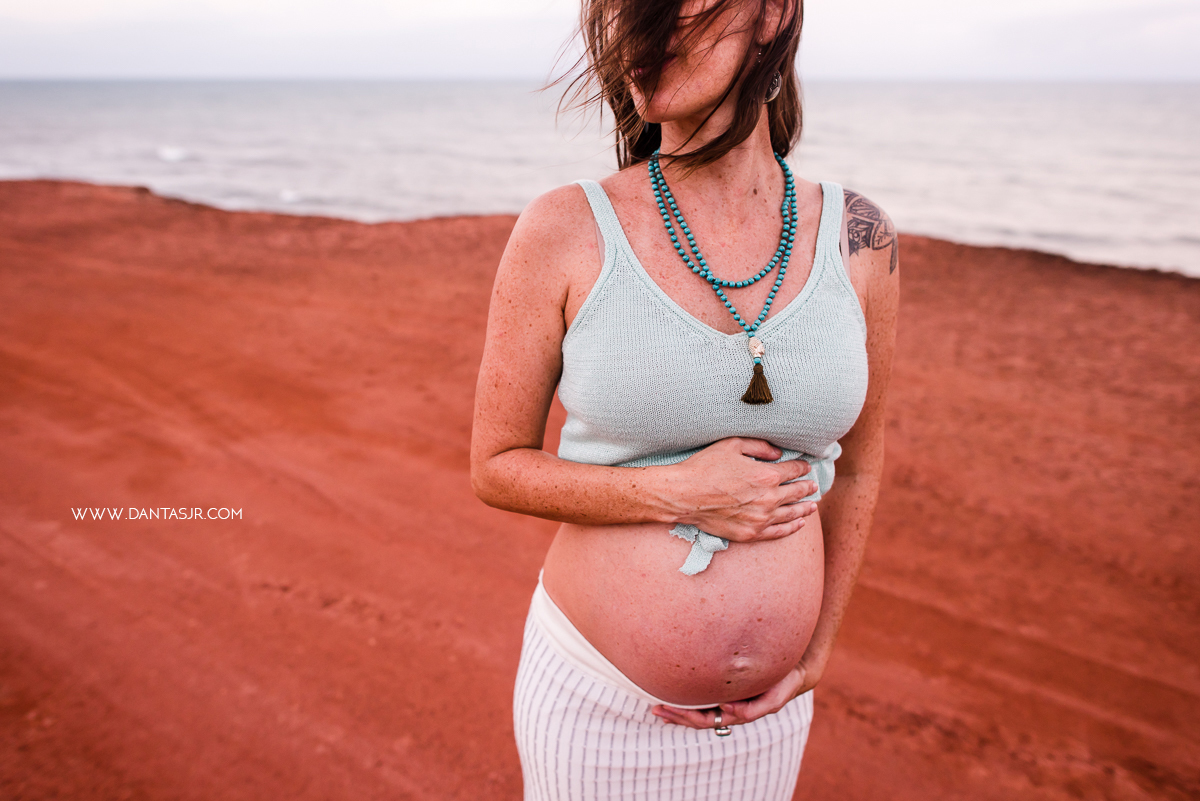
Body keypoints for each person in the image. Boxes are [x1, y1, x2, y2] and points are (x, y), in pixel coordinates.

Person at [471, 0, 898, 797]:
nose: (639, 36)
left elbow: (863, 466)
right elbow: (496, 466)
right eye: (626, 16)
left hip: (768, 722)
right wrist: (676, 490)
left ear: (773, 13)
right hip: (600, 710)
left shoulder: (860, 235)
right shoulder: (565, 228)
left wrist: (814, 651)